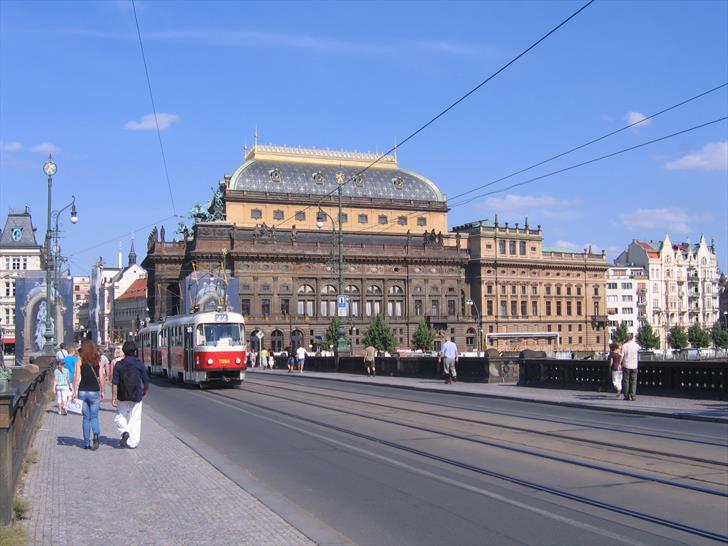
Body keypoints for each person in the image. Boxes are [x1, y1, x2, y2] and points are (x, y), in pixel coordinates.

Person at [112, 340, 150, 449]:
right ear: (135, 351)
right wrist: (145, 391)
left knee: (120, 416)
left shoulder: (119, 365)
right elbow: (146, 381)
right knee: (135, 418)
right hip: (136, 394)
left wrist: (114, 397)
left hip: (122, 394)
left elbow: (115, 382)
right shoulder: (139, 364)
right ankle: (133, 442)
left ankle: (124, 432)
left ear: (124, 351)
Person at [72, 339, 105, 450]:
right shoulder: (98, 360)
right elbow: (101, 377)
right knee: (94, 416)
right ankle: (96, 435)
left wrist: (74, 392)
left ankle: (86, 443)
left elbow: (76, 377)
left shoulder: (80, 360)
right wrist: (103, 391)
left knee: (86, 418)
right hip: (94, 391)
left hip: (82, 391)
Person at [621, 333, 640, 401]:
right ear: (632, 338)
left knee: (626, 381)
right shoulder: (636, 345)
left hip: (626, 365)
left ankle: (626, 396)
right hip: (634, 365)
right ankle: (633, 396)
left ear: (626, 338)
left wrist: (620, 364)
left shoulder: (624, 346)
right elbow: (639, 349)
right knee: (633, 381)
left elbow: (622, 356)